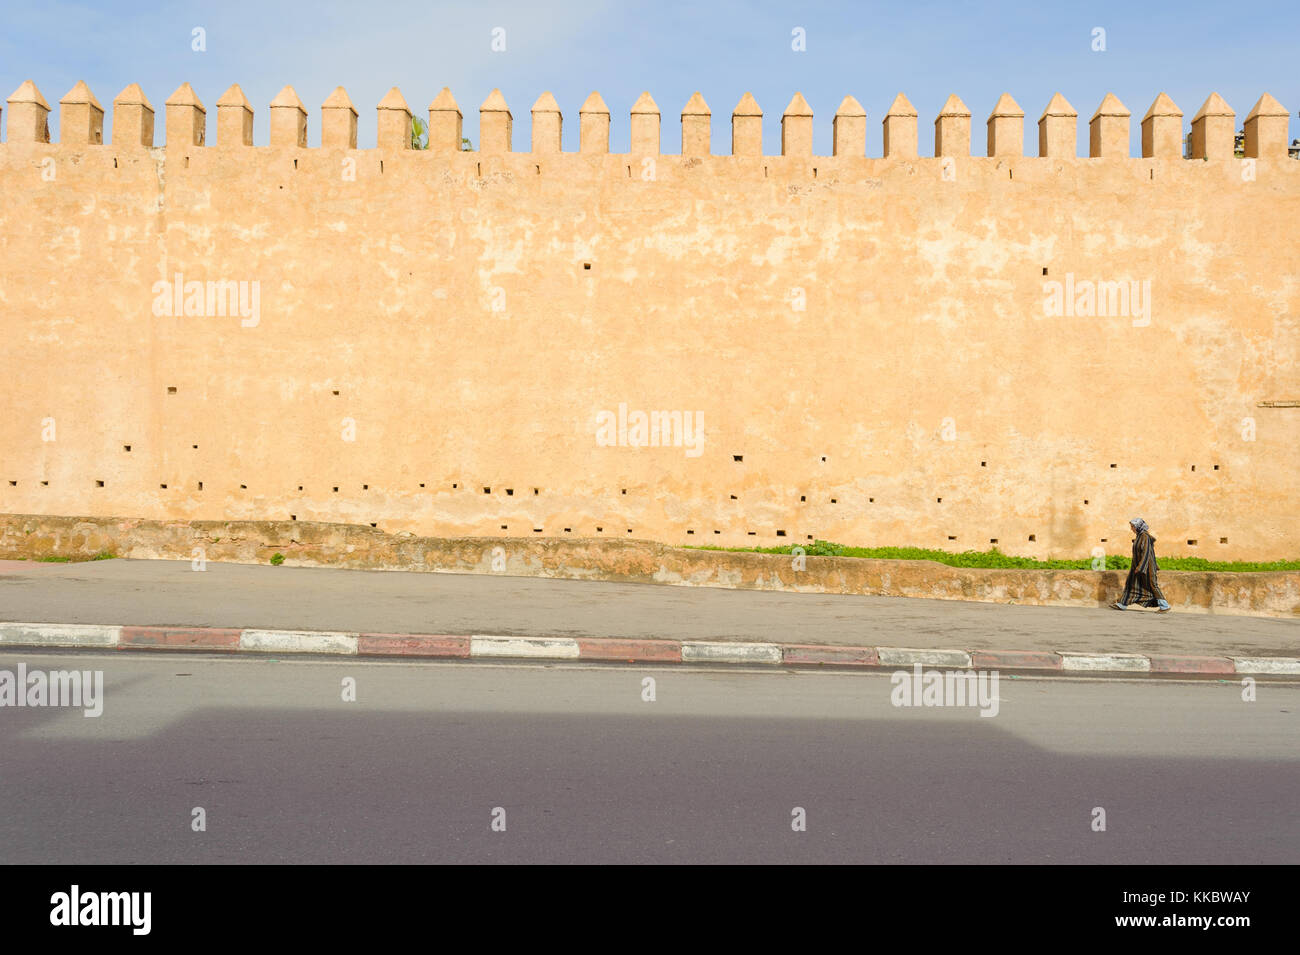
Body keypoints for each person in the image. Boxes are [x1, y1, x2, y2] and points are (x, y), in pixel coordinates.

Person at [1112, 518, 1171, 612]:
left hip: (1147, 567)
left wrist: (1140, 567)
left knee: (1152, 585)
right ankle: (1122, 604)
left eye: (1133, 526)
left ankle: (1164, 606)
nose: (1131, 529)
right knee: (1131, 584)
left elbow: (1146, 553)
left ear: (1138, 526)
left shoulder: (1145, 536)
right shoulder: (1139, 536)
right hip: (1137, 566)